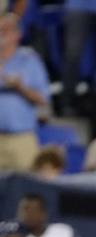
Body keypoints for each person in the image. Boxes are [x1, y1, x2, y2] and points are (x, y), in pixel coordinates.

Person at [0, 12, 49, 172]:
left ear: (17, 34)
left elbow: (42, 99)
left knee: (27, 192)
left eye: (6, 30)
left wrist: (20, 88)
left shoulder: (30, 61)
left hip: (22, 139)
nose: (1, 34)